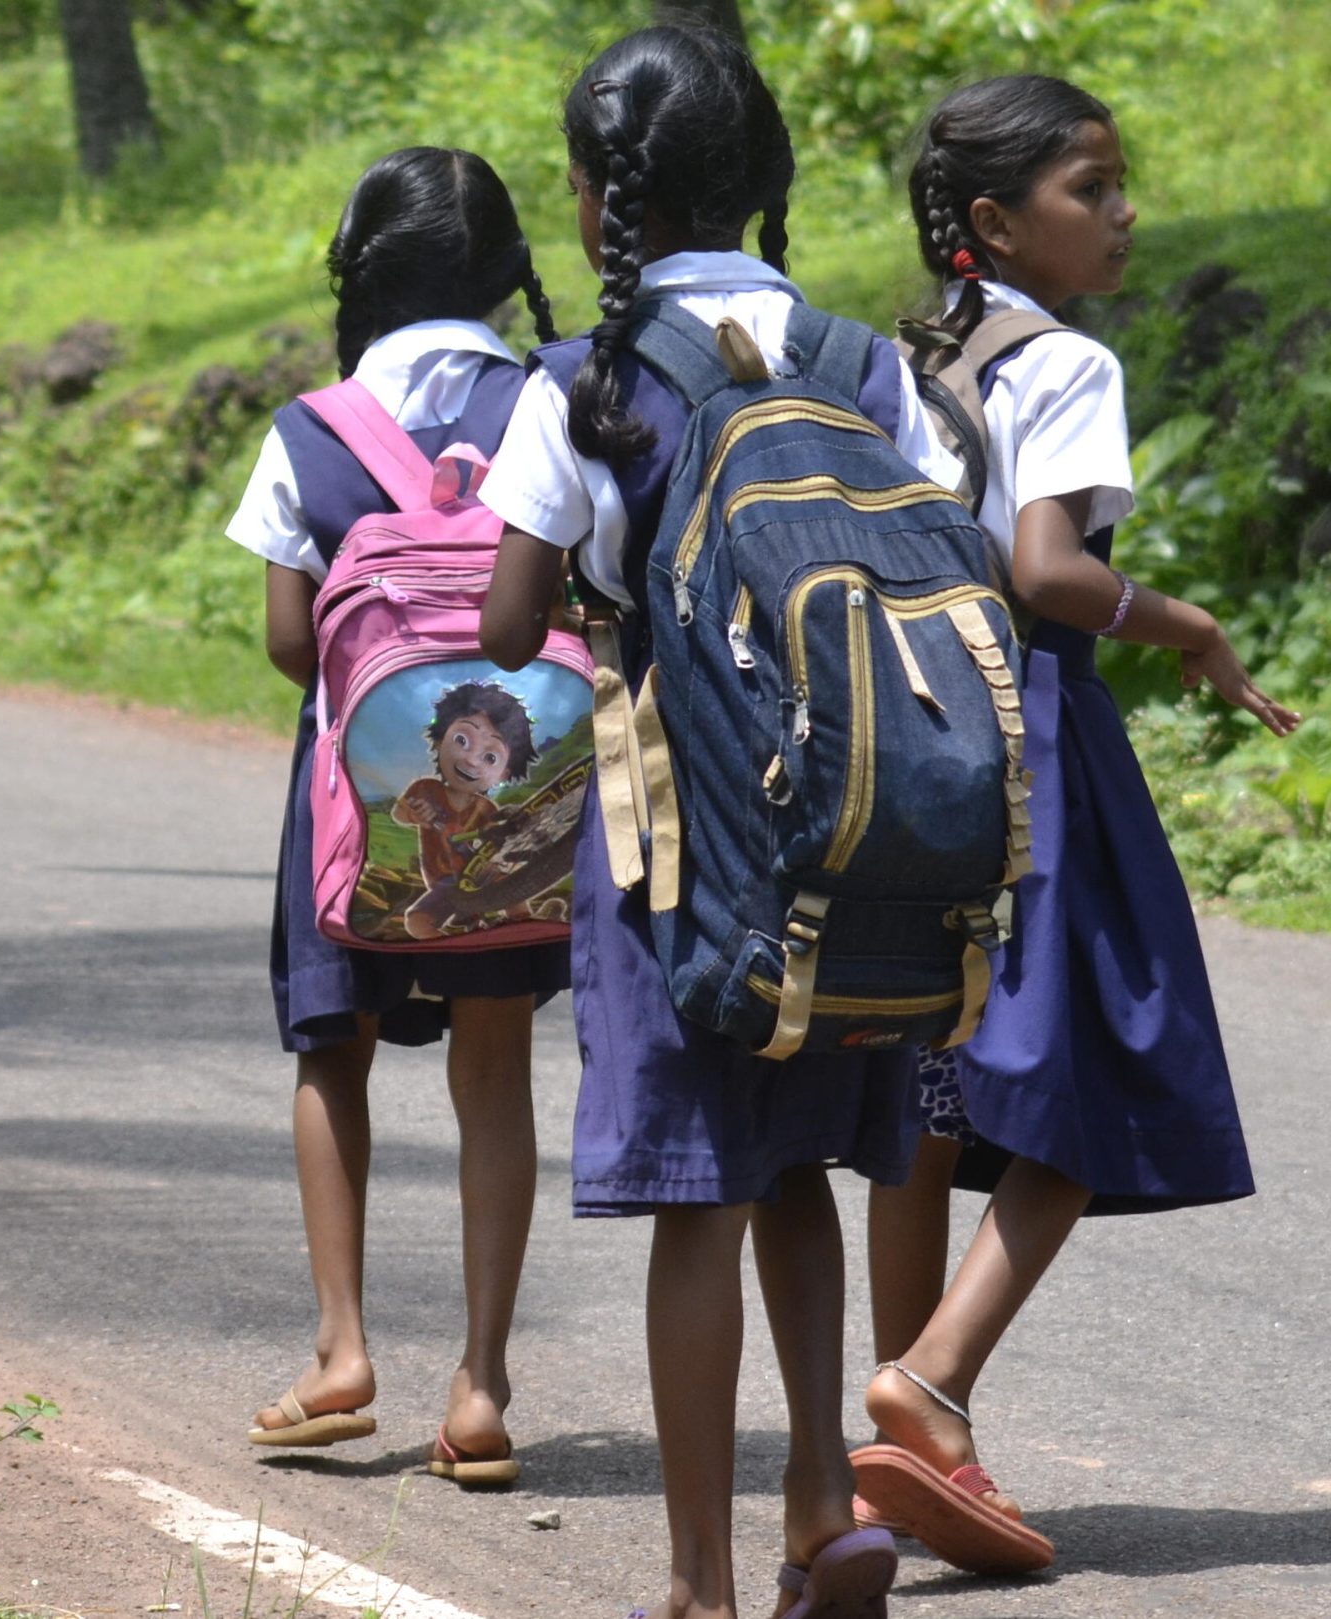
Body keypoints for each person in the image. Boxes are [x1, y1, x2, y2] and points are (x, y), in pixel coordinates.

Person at [474, 25, 966, 1619]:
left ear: (588, 194)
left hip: (676, 836)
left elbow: (503, 622)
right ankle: (825, 1508)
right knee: (808, 1165)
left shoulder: (587, 382)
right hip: (859, 819)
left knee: (697, 1188)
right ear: (764, 177)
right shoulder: (862, 359)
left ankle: (696, 1581)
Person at [849, 73, 1301, 1577]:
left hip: (901, 740)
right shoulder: (1068, 363)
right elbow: (1047, 567)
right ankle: (929, 1377)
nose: (1122, 213)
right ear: (996, 219)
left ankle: (885, 1443)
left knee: (926, 1078)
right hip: (1034, 734)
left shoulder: (889, 364)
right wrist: (1186, 622)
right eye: (1091, 188)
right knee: (1106, 1057)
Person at [229, 147, 569, 1488]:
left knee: (333, 1052)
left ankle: (341, 1350)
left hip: (350, 803)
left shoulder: (314, 425)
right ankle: (481, 1384)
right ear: (504, 270)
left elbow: (287, 642)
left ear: (358, 272)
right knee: (494, 1073)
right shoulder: (546, 400)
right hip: (520, 808)